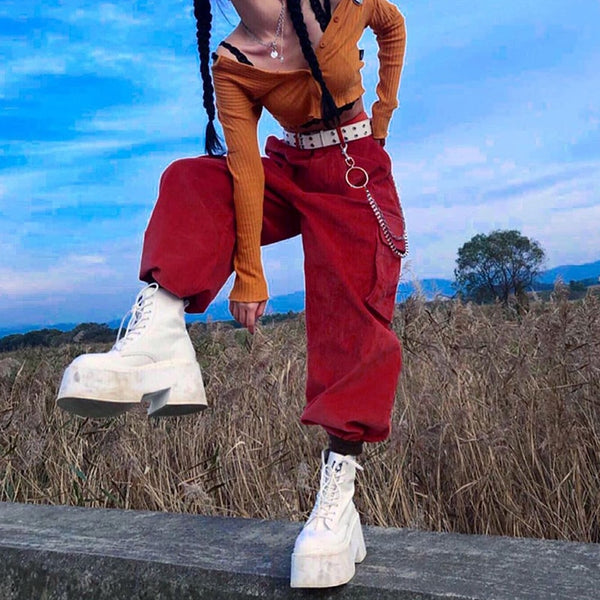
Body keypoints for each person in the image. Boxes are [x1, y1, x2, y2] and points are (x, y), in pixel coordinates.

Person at [57, 0, 407, 588]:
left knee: (352, 321)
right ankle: (160, 338)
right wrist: (250, 271)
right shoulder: (232, 61)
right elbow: (244, 169)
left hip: (352, 170)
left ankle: (339, 498)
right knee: (191, 179)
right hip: (287, 168)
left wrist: (383, 111)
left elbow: (392, 25)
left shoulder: (340, 5)